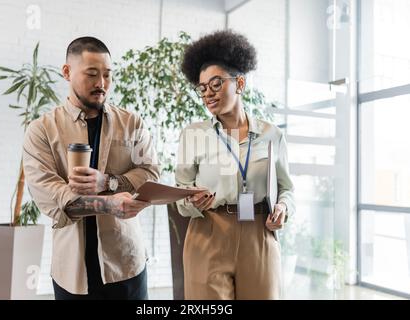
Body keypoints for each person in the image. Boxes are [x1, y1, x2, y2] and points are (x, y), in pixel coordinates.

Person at [23, 37, 160, 300]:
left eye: (108, 75)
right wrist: (108, 205)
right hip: (72, 273)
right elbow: (50, 196)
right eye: (92, 74)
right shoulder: (41, 130)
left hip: (126, 266)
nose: (102, 84)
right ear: (67, 72)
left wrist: (108, 183)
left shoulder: (132, 123)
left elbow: (151, 172)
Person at [175, 30, 295, 300]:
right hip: (208, 232)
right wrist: (191, 201)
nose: (208, 94)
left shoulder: (272, 134)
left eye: (216, 84)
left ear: (239, 83)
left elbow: (287, 188)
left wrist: (284, 207)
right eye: (203, 88)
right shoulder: (193, 134)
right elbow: (180, 192)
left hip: (259, 233)